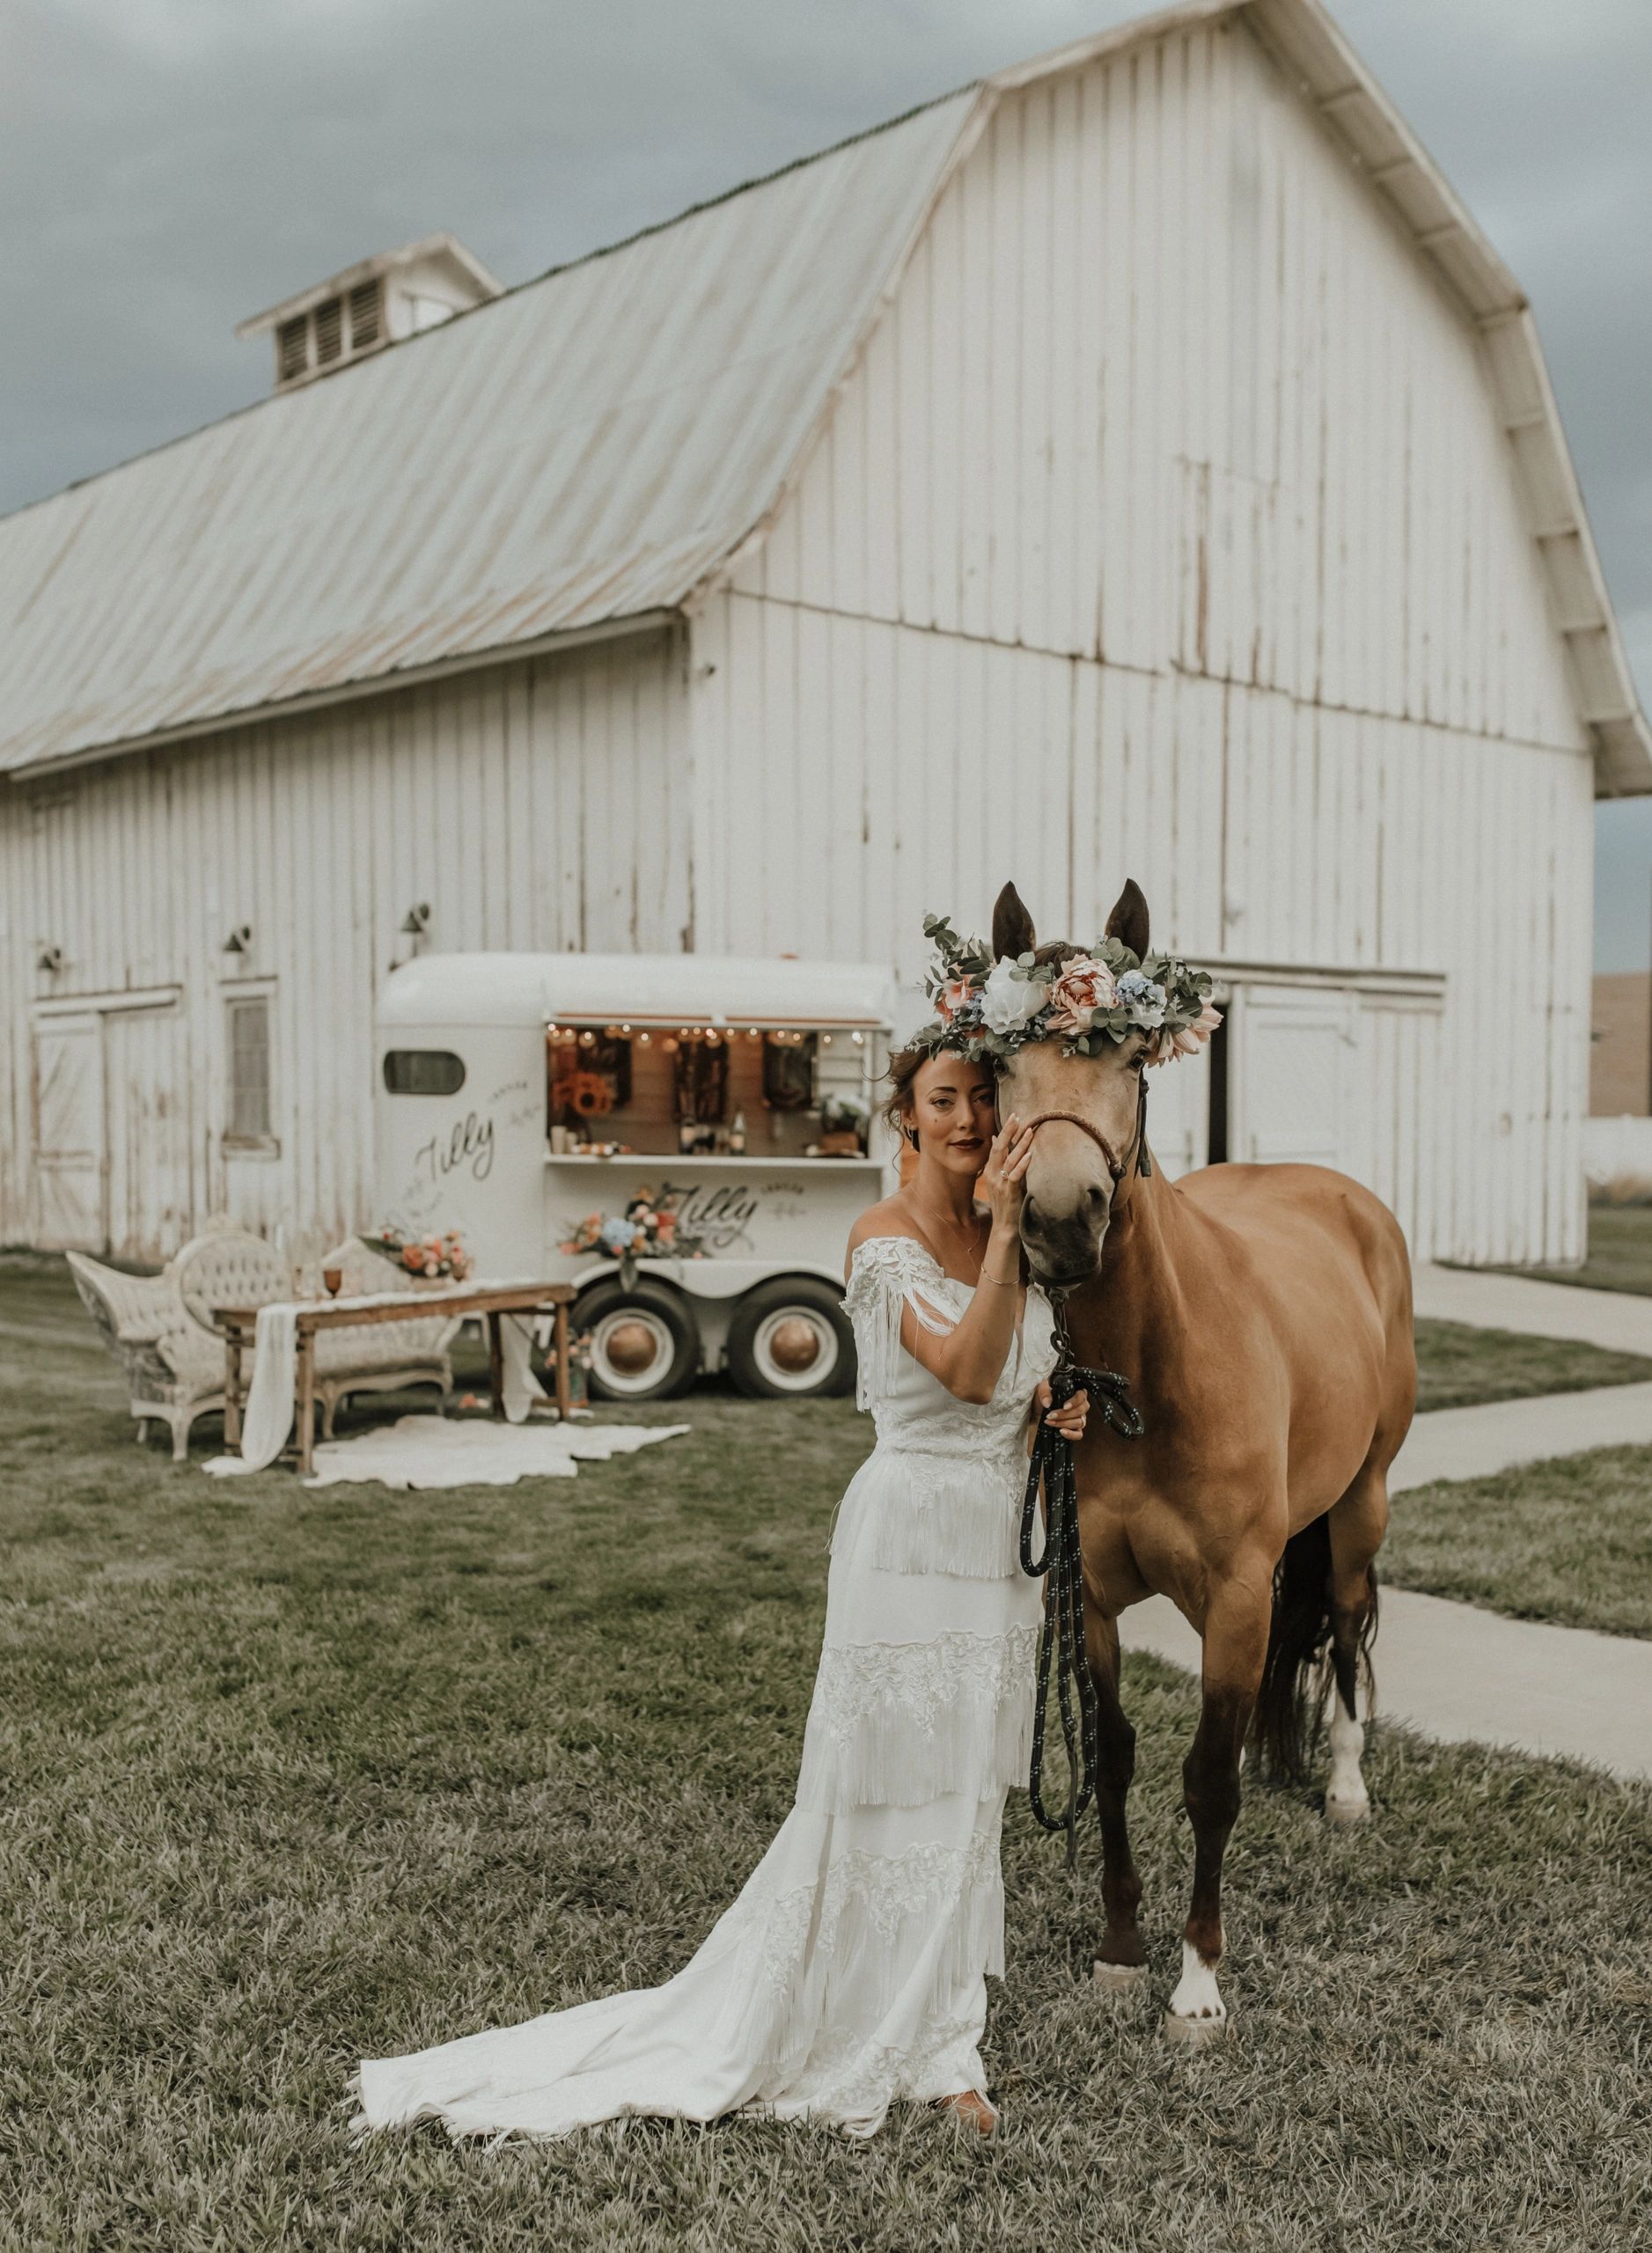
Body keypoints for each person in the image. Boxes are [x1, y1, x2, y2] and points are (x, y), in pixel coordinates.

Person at [350, 1048, 1088, 2144]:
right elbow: (962, 1373)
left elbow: (1002, 1393)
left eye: (986, 1099)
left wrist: (1048, 1411)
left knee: (965, 1795)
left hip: (989, 1546)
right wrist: (1002, 1245)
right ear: (907, 1117)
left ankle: (944, 2038)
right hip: (904, 1540)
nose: (972, 1117)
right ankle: (853, 2019)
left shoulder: (1008, 1240)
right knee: (878, 1792)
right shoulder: (881, 1239)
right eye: (946, 1101)